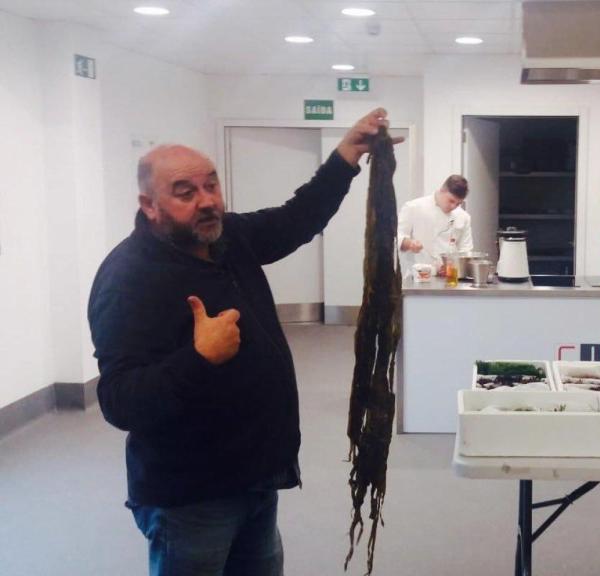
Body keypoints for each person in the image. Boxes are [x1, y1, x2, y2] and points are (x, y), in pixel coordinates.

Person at [87, 108, 400, 576]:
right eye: (184, 192)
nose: (206, 200)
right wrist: (198, 358)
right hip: (191, 496)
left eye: (211, 185)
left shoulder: (225, 238)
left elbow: (295, 220)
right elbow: (119, 401)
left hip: (255, 476)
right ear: (149, 205)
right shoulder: (129, 278)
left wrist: (346, 156)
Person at [397, 175, 473, 274]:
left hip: (450, 278)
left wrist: (456, 267)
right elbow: (396, 238)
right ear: (442, 190)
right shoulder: (414, 207)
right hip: (418, 277)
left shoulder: (463, 217)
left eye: (458, 204)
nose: (454, 206)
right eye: (451, 201)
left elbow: (466, 250)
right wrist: (409, 243)